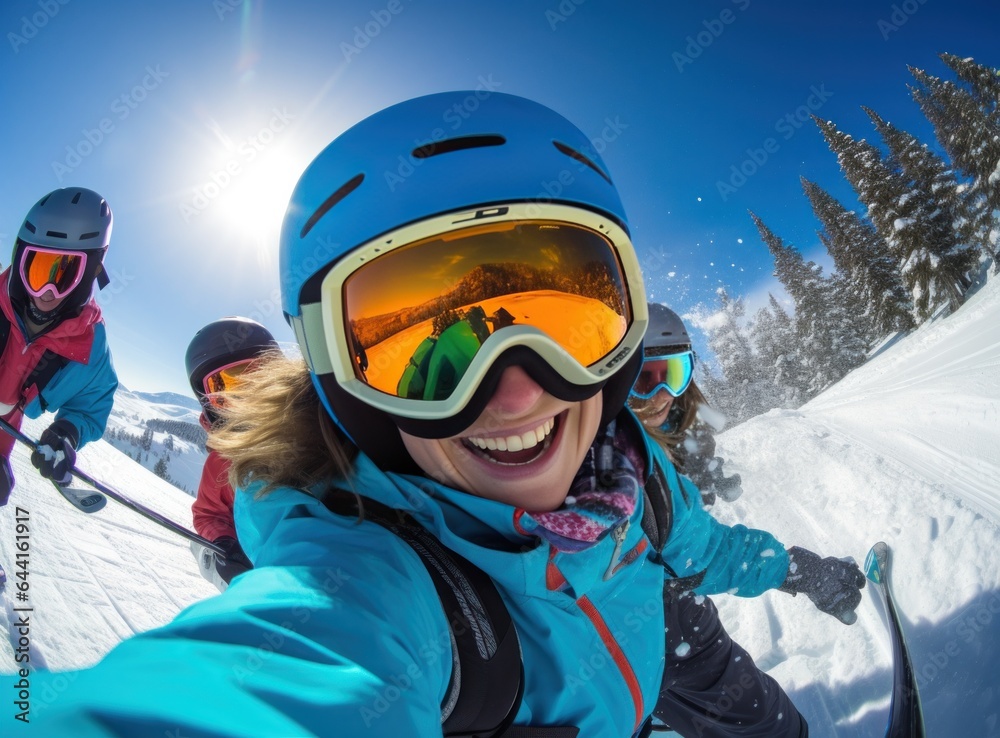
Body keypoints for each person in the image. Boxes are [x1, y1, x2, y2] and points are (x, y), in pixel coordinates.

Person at [21, 93, 865, 737]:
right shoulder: (382, 587)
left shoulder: (632, 468)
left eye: (571, 319)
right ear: (337, 374)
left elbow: (709, 549)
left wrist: (796, 569)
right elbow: (277, 676)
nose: (516, 392)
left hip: (664, 631)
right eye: (418, 356)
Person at [0, 187, 118, 505]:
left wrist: (67, 432)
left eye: (64, 275)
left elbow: (91, 407)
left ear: (91, 273)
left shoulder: (88, 344)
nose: (46, 292)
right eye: (36, 270)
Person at [184, 316, 280, 590]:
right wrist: (224, 543)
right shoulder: (223, 461)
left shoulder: (320, 427)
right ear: (209, 404)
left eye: (259, 379)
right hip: (264, 584)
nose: (248, 401)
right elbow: (209, 513)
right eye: (224, 389)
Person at [629, 303, 743, 507]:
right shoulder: (613, 452)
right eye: (642, 380)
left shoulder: (689, 427)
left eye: (674, 377)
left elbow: (704, 463)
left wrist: (718, 481)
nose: (660, 396)